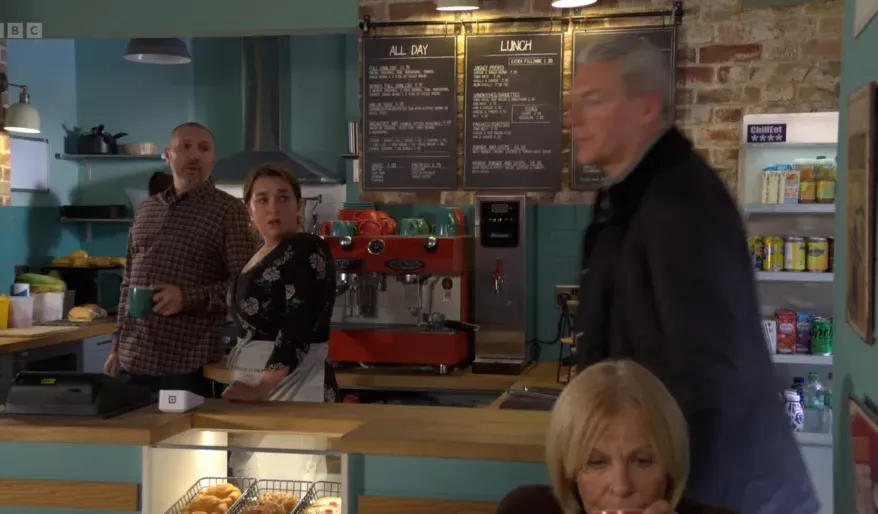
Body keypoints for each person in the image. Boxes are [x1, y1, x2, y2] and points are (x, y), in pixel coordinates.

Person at [567, 34, 819, 514]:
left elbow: (706, 380)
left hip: (726, 495)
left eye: (593, 100)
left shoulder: (679, 205)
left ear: (646, 107)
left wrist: (668, 496)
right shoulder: (633, 197)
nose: (573, 119)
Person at [105, 122, 257, 396]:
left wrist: (186, 298)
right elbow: (128, 283)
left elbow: (246, 287)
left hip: (187, 364)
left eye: (204, 149)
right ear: (168, 154)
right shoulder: (146, 209)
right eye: (185, 147)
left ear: (213, 159)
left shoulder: (229, 211)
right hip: (132, 359)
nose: (195, 155)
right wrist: (117, 346)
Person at [222, 163, 338, 481]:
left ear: (298, 205)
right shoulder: (262, 252)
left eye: (283, 197)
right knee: (257, 483)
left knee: (291, 483)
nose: (273, 207)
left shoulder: (307, 248)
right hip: (256, 384)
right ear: (249, 209)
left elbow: (298, 325)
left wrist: (261, 387)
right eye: (262, 199)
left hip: (292, 383)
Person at [498, 360, 735, 514]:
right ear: (570, 474)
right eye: (596, 462)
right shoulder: (525, 510)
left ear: (670, 467)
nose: (621, 487)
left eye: (642, 461)